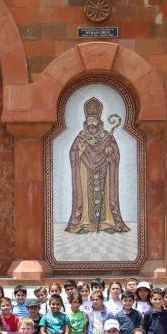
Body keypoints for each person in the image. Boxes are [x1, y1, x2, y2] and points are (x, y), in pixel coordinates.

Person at [65, 96, 129, 234]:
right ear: (86, 122)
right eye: (89, 120)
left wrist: (110, 152)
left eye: (94, 120)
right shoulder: (81, 137)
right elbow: (73, 152)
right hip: (85, 170)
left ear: (99, 121)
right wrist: (79, 153)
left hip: (104, 170)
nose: (92, 123)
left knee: (105, 195)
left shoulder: (107, 137)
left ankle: (107, 223)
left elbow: (116, 154)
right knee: (86, 196)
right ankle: (85, 224)